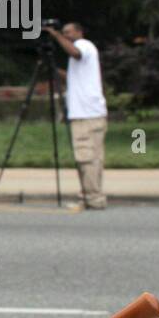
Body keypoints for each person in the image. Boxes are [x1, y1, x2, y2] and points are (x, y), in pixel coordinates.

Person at [45, 20, 108, 209]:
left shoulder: (83, 45)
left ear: (79, 32)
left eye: (68, 32)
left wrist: (55, 35)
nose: (65, 36)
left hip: (85, 115)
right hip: (92, 112)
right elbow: (73, 75)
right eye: (63, 33)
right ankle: (92, 196)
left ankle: (91, 198)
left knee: (86, 158)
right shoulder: (83, 54)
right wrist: (53, 69)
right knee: (93, 159)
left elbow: (74, 52)